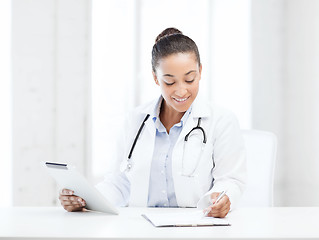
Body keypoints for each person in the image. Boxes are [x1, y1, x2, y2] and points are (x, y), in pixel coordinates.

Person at [59, 27, 246, 218]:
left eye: (189, 79)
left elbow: (231, 180)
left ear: (200, 71)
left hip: (195, 226)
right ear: (156, 77)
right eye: (170, 82)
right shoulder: (135, 120)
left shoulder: (222, 120)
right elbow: (120, 183)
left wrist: (222, 198)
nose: (181, 91)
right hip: (141, 226)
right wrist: (84, 199)